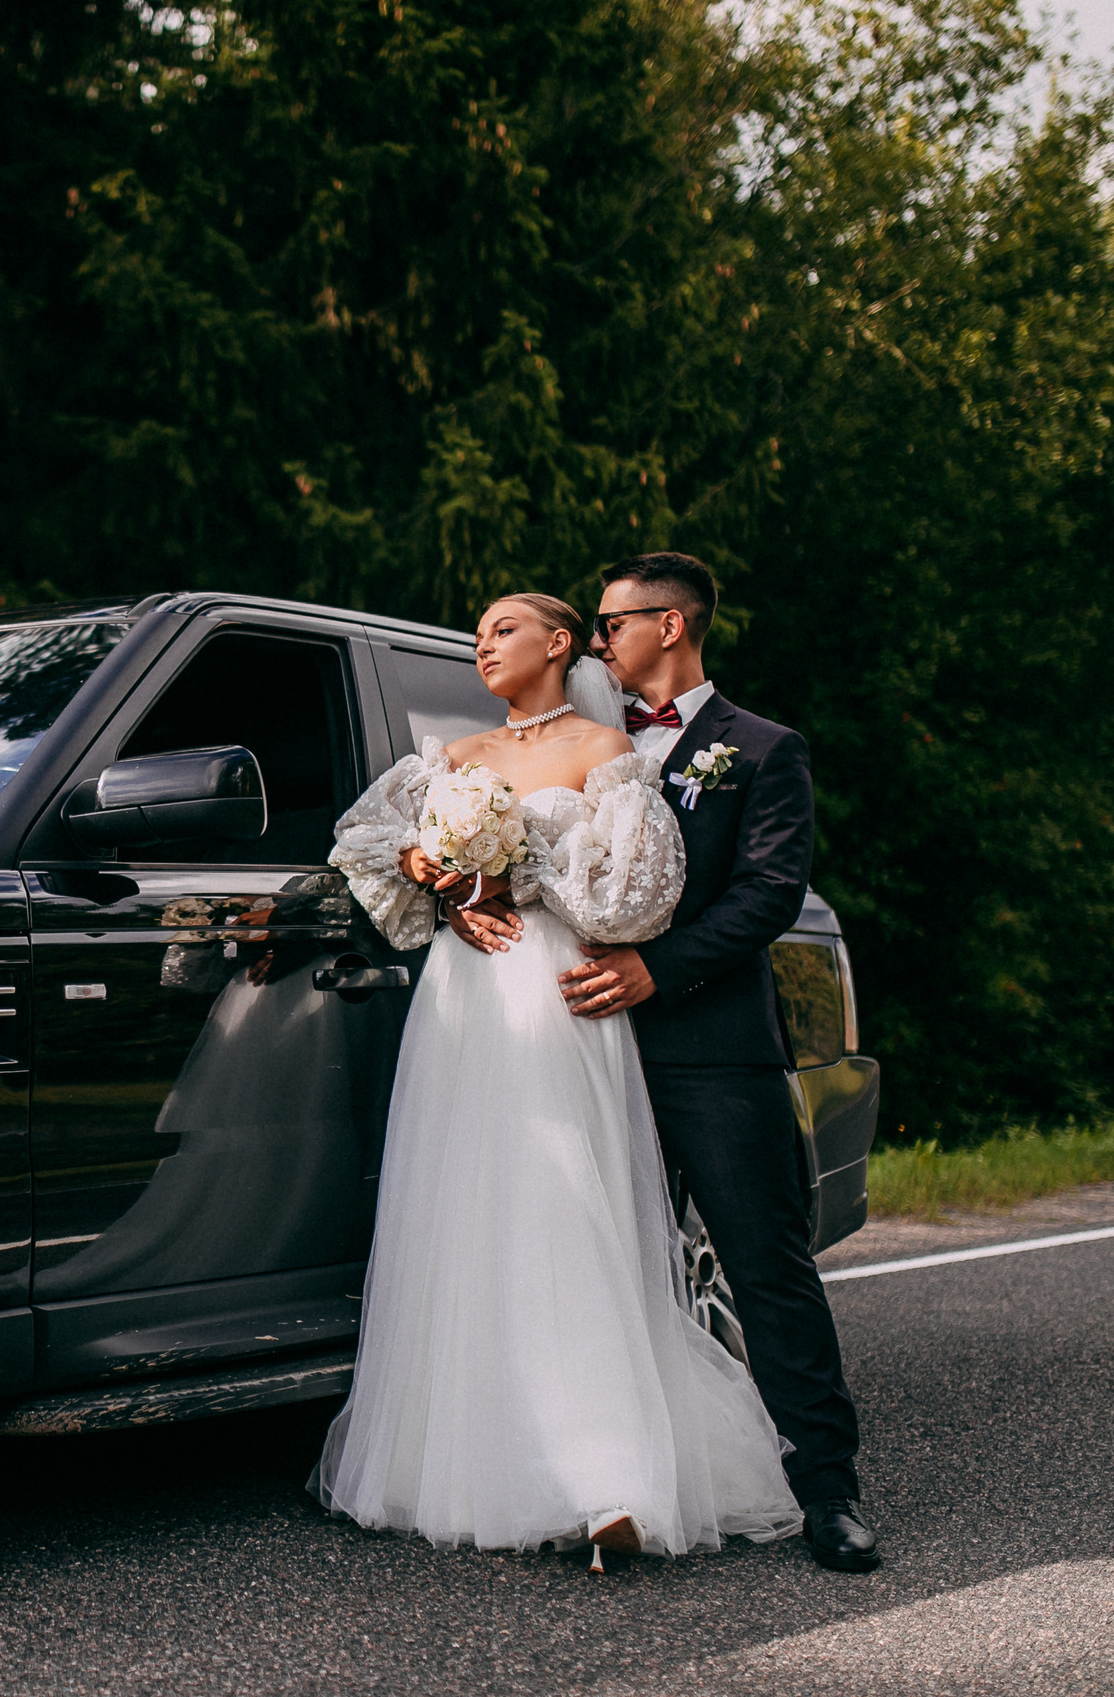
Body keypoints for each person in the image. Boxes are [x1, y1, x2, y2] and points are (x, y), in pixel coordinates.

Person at [312, 591, 803, 1567]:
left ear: (560, 642)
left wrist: (515, 860)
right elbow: (364, 847)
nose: (484, 645)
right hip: (462, 1005)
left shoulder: (602, 752)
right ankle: (462, 1462)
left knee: (563, 1212)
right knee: (464, 1215)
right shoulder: (450, 760)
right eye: (477, 636)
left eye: (504, 628)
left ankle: (605, 1478)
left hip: (557, 992)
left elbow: (636, 896)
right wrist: (437, 871)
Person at [448, 552, 879, 1574]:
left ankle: (827, 1490)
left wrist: (658, 970)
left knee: (764, 1267)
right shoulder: (565, 738)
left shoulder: (761, 750)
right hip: (565, 1048)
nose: (598, 641)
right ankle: (612, 1484)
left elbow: (767, 895)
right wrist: (470, 905)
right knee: (593, 1269)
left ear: (671, 626)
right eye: (592, 628)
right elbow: (506, 862)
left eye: (611, 624)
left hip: (705, 1048)